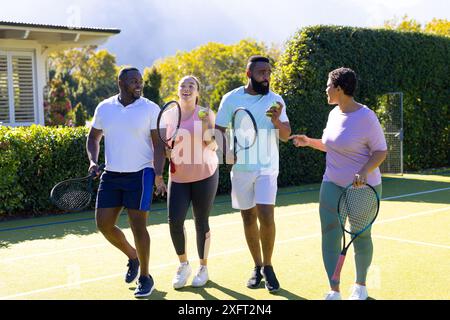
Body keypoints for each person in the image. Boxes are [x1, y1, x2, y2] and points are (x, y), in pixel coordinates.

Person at [289, 67, 387, 300]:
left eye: (328, 86)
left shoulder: (366, 117)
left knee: (361, 235)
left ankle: (360, 286)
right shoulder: (334, 114)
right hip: (331, 183)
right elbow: (330, 144)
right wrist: (308, 142)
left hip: (363, 188)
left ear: (339, 89)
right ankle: (334, 289)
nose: (326, 90)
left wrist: (364, 171)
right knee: (329, 234)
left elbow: (381, 151)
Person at [86, 67, 166, 298]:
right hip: (111, 175)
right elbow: (93, 137)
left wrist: (158, 175)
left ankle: (146, 277)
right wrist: (93, 161)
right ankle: (133, 257)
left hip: (140, 174)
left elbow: (159, 145)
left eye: (140, 81)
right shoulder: (105, 107)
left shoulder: (150, 108)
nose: (139, 85)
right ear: (121, 83)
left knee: (138, 226)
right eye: (133, 81)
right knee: (103, 224)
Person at [215, 56, 291, 293]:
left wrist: (278, 121)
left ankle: (268, 267)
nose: (266, 76)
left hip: (267, 167)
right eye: (261, 72)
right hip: (241, 170)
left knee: (266, 215)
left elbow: (286, 135)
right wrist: (225, 151)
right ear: (248, 74)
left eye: (268, 72)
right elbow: (218, 129)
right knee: (248, 218)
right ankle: (257, 266)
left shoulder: (276, 100)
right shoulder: (231, 98)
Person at [162, 75, 219, 289]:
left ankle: (203, 268)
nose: (186, 88)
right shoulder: (168, 115)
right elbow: (165, 147)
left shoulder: (205, 112)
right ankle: (183, 265)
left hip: (205, 174)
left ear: (197, 92)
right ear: (178, 90)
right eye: (182, 85)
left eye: (191, 86)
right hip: (178, 177)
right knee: (174, 221)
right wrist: (167, 152)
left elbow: (212, 146)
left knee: (200, 221)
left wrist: (206, 126)